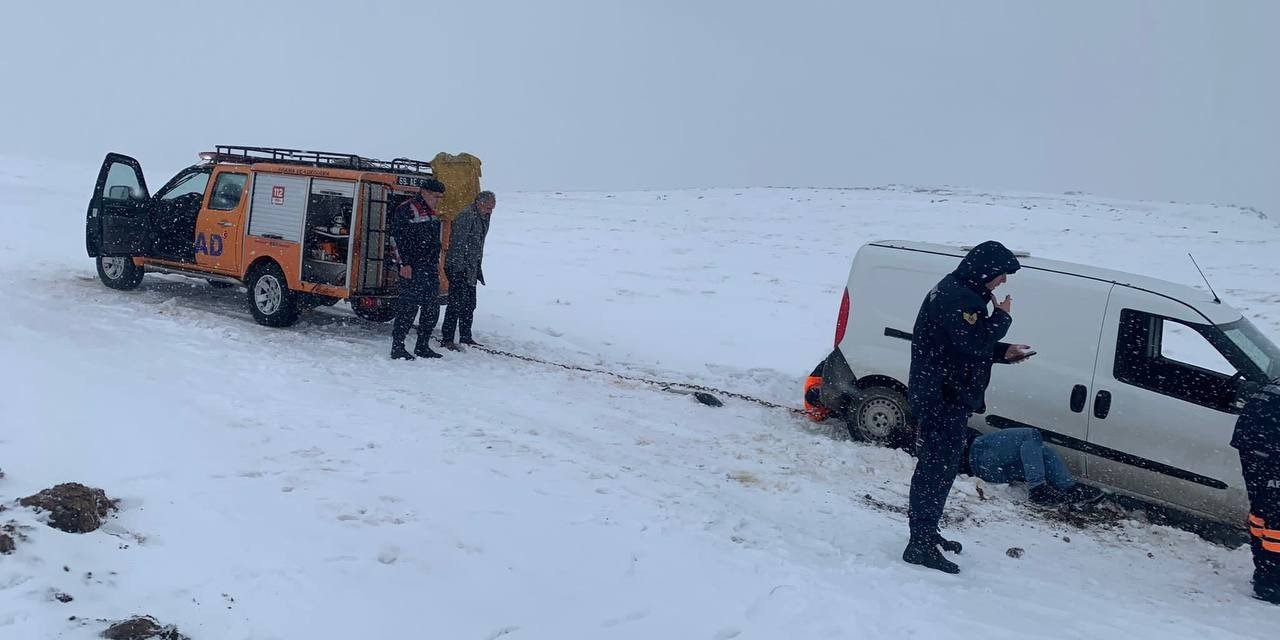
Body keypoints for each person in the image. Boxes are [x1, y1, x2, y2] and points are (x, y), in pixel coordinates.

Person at [902, 240, 1030, 574]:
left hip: (943, 392)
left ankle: (926, 533)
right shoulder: (960, 298)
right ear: (985, 270)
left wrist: (1003, 352)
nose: (1003, 281)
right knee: (936, 470)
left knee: (938, 469)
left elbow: (961, 345)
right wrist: (1002, 319)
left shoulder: (960, 290)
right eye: (1001, 275)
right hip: (942, 398)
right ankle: (920, 544)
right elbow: (971, 342)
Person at [1231, 378, 1280, 604]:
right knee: (1276, 518)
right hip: (1268, 445)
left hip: (1253, 442)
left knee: (1262, 510)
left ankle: (1265, 572)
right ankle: (1272, 583)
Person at [387, 179, 446, 361]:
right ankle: (398, 347)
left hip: (429, 267)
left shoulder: (432, 213)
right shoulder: (407, 209)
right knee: (408, 308)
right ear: (424, 192)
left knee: (431, 307)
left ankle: (422, 346)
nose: (437, 200)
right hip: (411, 267)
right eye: (435, 196)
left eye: (440, 197)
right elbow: (396, 239)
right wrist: (403, 264)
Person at [965, 428, 1102, 506]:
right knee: (1031, 435)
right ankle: (1038, 488)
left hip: (989, 468)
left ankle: (1070, 490)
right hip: (976, 452)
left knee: (1042, 451)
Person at [440, 191, 495, 350]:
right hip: (458, 267)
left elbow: (477, 244)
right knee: (455, 304)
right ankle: (447, 339)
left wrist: (475, 267)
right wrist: (458, 270)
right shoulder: (466, 216)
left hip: (471, 268)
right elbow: (458, 245)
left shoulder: (483, 217)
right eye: (488, 207)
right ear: (478, 203)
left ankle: (466, 336)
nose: (490, 211)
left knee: (470, 304)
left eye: (492, 208)